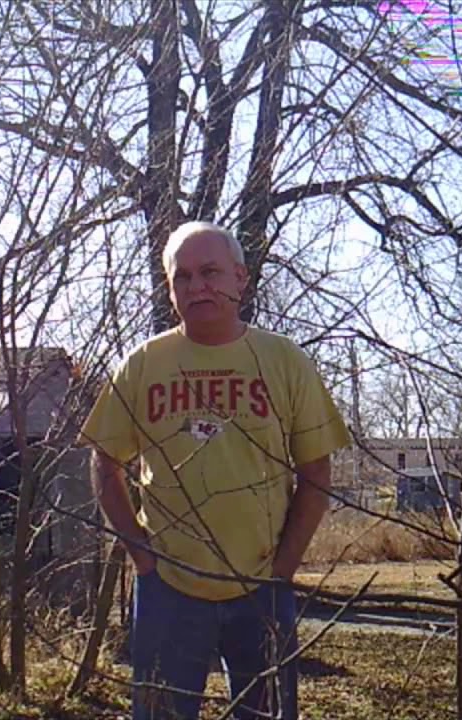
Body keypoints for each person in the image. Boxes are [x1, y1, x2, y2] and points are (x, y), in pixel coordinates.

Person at [80, 222, 351, 720]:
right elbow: (104, 462)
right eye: (181, 277)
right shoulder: (143, 365)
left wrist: (283, 569)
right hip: (168, 590)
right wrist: (143, 558)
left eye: (209, 272)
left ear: (240, 277)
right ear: (169, 289)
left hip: (261, 586)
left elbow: (316, 470)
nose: (196, 286)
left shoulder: (283, 361)